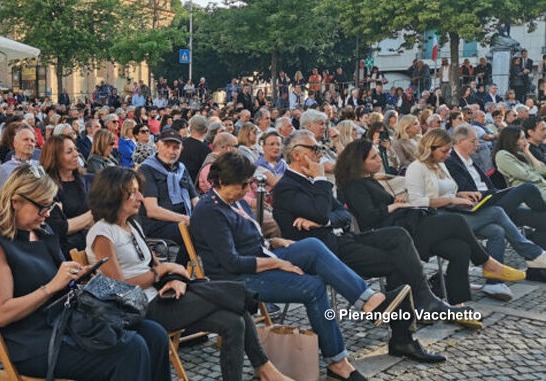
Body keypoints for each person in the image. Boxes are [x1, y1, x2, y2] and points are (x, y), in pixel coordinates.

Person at [192, 152, 412, 381]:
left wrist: (273, 242)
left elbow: (249, 240)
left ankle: (368, 300)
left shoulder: (232, 200)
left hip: (258, 257)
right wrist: (277, 262)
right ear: (222, 182)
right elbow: (231, 262)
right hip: (235, 278)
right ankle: (338, 363)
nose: (247, 189)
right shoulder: (210, 211)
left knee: (313, 246)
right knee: (313, 287)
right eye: (243, 184)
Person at [87, 166, 292, 381]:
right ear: (113, 196)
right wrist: (164, 271)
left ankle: (263, 371)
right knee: (234, 301)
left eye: (139, 190)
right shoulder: (102, 233)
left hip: (162, 294)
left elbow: (154, 264)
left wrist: (174, 278)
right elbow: (117, 285)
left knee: (235, 321)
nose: (140, 197)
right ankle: (267, 370)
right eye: (133, 192)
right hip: (140, 308)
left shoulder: (131, 225)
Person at [273, 131, 463, 362]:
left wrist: (325, 220)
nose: (319, 154)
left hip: (343, 238)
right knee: (399, 263)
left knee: (398, 236)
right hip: (325, 254)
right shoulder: (287, 186)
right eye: (315, 150)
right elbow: (321, 211)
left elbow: (342, 214)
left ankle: (423, 300)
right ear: (297, 155)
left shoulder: (313, 182)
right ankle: (405, 337)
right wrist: (322, 184)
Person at [0, 165, 170, 380]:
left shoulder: (41, 232)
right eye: (42, 207)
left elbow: (60, 282)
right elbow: (2, 314)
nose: (47, 214)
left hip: (68, 321)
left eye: (49, 206)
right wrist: (51, 287)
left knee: (155, 334)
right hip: (33, 341)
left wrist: (76, 276)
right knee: (130, 350)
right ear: (16, 202)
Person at [335, 139, 525, 308]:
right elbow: (369, 218)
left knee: (460, 249)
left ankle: (457, 304)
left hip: (406, 226)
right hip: (395, 235)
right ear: (359, 163)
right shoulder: (354, 186)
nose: (379, 160)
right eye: (374, 157)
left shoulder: (369, 180)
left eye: (378, 156)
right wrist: (393, 206)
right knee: (456, 221)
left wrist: (395, 203)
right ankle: (488, 263)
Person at [404, 129, 542, 290]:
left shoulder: (440, 164)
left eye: (449, 150)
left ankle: (494, 282)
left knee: (496, 231)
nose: (448, 154)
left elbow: (448, 191)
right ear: (430, 148)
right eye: (444, 151)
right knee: (496, 212)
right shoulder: (417, 168)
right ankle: (532, 254)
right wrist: (450, 199)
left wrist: (462, 194)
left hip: (453, 211)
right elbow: (415, 201)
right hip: (434, 218)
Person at [446, 125, 546, 284]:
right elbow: (467, 190)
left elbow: (489, 185)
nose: (477, 144)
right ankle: (532, 257)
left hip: (496, 204)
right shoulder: (452, 162)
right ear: (460, 141)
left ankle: (537, 270)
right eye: (474, 141)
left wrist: (497, 193)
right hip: (480, 207)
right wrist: (495, 194)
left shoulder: (471, 160)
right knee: (527, 188)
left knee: (542, 218)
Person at [138, 129, 198, 266]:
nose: (171, 151)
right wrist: (185, 219)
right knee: (196, 231)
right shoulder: (147, 169)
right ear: (158, 145)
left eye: (176, 147)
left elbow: (195, 200)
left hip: (182, 221)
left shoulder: (181, 168)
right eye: (167, 146)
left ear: (181, 150)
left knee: (213, 226)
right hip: (158, 225)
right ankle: (178, 271)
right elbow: (152, 210)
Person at [40, 135, 95, 259]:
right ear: (55, 157)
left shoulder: (89, 180)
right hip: (69, 252)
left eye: (75, 149)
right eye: (69, 151)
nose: (76, 154)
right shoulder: (47, 187)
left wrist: (75, 223)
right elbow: (59, 228)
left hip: (94, 241)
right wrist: (93, 213)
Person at [494, 126, 546, 201]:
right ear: (513, 140)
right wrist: (541, 179)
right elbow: (523, 175)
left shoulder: (521, 154)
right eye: (522, 138)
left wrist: (528, 154)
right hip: (531, 192)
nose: (526, 141)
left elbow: (543, 171)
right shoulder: (502, 155)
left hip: (541, 186)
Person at [0, 127, 38, 203]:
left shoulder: (39, 166)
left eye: (32, 141)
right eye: (25, 139)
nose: (30, 143)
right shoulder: (4, 170)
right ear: (15, 144)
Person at [178, 115, 211, 182]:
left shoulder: (179, 144)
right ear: (207, 130)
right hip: (196, 186)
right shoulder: (207, 150)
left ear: (190, 129)